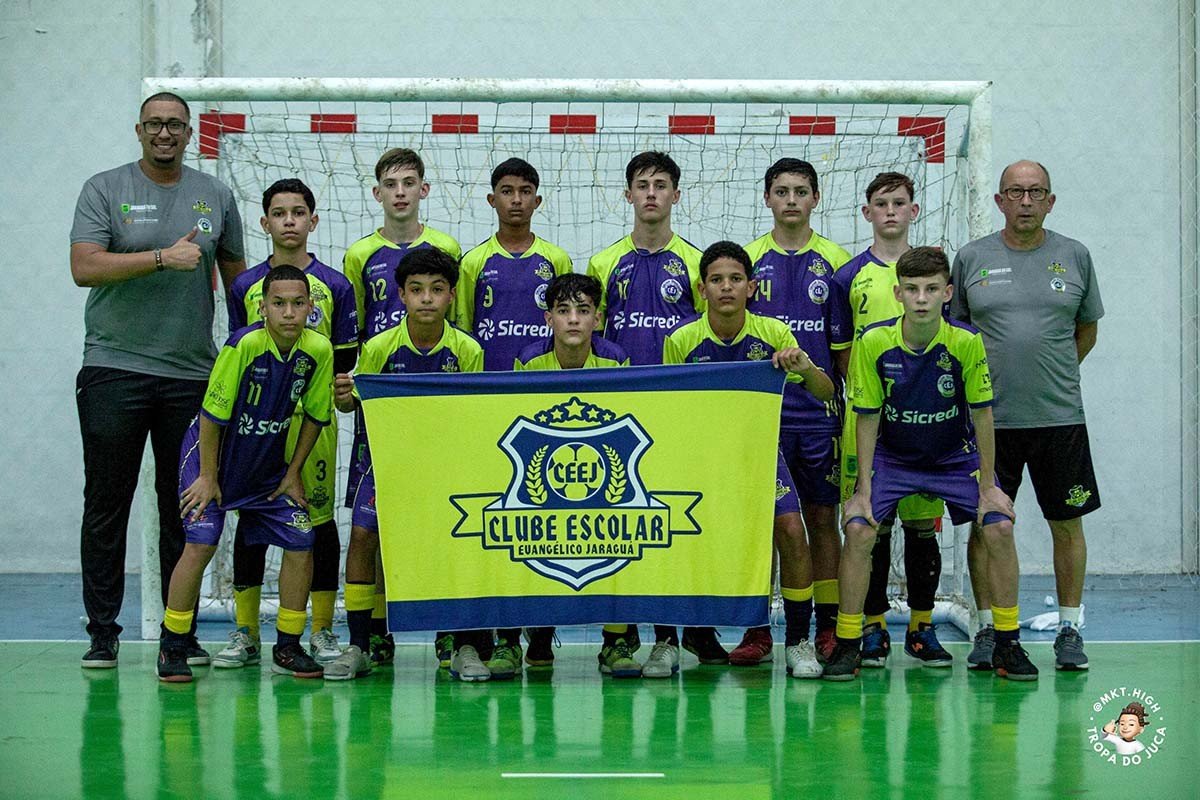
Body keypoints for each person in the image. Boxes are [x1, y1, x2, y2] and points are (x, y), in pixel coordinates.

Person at [71, 91, 246, 669]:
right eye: (155, 124)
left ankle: (182, 632)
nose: (165, 133)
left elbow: (238, 279)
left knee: (187, 508)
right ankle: (102, 633)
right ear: (139, 130)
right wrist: (159, 259)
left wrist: (248, 353)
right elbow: (84, 266)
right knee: (107, 503)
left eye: (175, 124)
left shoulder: (215, 195)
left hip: (191, 376)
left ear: (190, 132)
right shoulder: (105, 188)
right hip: (114, 368)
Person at [828, 247, 1036, 682]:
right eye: (912, 289)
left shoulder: (965, 341)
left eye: (930, 289)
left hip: (950, 455)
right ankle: (848, 642)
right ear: (898, 293)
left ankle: (1007, 641)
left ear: (947, 293)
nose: (921, 298)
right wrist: (862, 491)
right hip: (894, 455)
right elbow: (867, 417)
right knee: (860, 529)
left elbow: (982, 414)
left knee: (998, 525)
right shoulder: (875, 342)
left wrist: (989, 485)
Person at [950, 160, 1103, 673]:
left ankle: (1070, 627)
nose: (1026, 201)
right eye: (1015, 191)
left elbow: (1085, 332)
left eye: (1036, 191)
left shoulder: (1075, 256)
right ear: (999, 201)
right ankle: (990, 626)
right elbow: (959, 337)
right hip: (989, 423)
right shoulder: (971, 258)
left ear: (1050, 200)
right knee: (984, 526)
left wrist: (1048, 376)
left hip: (1060, 419)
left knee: (1067, 524)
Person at [665, 241, 835, 679]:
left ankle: (798, 641)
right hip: (700, 459)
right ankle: (669, 640)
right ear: (702, 289)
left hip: (759, 456)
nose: (726, 288)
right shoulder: (681, 340)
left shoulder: (775, 334)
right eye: (717, 280)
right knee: (678, 537)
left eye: (735, 279)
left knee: (792, 530)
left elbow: (824, 392)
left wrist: (802, 366)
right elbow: (667, 406)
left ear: (751, 287)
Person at [157, 265, 333, 683]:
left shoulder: (319, 351)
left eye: (297, 303)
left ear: (310, 307)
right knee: (200, 544)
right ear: (262, 307)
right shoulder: (243, 346)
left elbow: (314, 416)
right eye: (278, 304)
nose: (288, 312)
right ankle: (173, 642)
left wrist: (292, 473)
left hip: (266, 469)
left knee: (303, 538)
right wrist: (208, 478)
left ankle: (288, 645)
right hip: (209, 462)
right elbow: (211, 417)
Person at [586, 151, 723, 676]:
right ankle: (617, 637)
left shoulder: (694, 263)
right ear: (627, 195)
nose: (650, 193)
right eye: (641, 184)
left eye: (661, 185)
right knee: (619, 525)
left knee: (673, 522)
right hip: (618, 416)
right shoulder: (603, 264)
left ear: (676, 196)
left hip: (677, 413)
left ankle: (675, 632)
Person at [325, 248, 486, 682]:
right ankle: (360, 643)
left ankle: (461, 642)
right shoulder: (377, 349)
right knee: (362, 536)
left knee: (459, 542)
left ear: (452, 295)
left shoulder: (467, 351)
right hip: (384, 466)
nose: (427, 299)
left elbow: (474, 417)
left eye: (436, 290)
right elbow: (352, 405)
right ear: (401, 295)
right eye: (416, 290)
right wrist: (343, 399)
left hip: (446, 468)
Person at [216, 179, 358, 669]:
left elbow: (342, 361)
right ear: (266, 223)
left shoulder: (336, 285)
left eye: (299, 212)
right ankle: (245, 630)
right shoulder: (244, 286)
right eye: (280, 213)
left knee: (317, 521)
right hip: (255, 424)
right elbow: (242, 349)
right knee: (251, 517)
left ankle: (319, 629)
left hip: (310, 427)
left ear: (313, 221)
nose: (290, 221)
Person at [342, 148, 463, 668]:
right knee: (371, 530)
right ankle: (368, 635)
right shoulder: (359, 255)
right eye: (390, 183)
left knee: (442, 529)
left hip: (439, 426)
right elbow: (356, 331)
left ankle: (452, 636)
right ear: (377, 193)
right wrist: (352, 394)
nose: (399, 191)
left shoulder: (448, 248)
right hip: (384, 416)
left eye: (409, 182)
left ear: (423, 189)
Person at [454, 157, 573, 676]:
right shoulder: (472, 263)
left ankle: (541, 636)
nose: (517, 199)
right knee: (504, 523)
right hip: (490, 406)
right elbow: (461, 332)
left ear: (538, 200)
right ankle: (503, 636)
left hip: (544, 405)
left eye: (526, 191)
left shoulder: (557, 258)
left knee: (544, 522)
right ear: (492, 200)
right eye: (507, 191)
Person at [830, 172, 950, 669]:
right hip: (870, 424)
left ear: (914, 210)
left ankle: (922, 627)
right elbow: (841, 355)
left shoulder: (935, 274)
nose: (891, 211)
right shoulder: (849, 276)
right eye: (881, 204)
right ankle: (873, 628)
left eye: (900, 203)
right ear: (868, 213)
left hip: (927, 425)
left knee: (922, 531)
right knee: (869, 528)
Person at [741, 158, 850, 666]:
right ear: (766, 198)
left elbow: (843, 348)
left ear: (815, 199)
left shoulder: (837, 263)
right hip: (763, 414)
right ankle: (756, 629)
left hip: (817, 412)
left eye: (800, 191)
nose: (790, 199)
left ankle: (827, 627)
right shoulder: (747, 261)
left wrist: (842, 405)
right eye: (780, 191)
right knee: (763, 523)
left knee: (822, 517)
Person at [513, 273, 639, 677]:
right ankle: (535, 637)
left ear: (598, 319)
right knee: (532, 540)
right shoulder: (529, 359)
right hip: (545, 470)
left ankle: (615, 640)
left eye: (583, 311)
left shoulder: (617, 359)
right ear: (548, 318)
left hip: (601, 470)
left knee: (619, 536)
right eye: (563, 311)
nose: (573, 320)